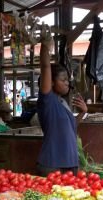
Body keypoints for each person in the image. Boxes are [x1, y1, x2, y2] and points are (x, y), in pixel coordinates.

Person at [37, 25, 88, 176]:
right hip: (52, 165)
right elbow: (45, 66)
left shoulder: (62, 103)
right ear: (51, 82)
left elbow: (71, 127)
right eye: (63, 79)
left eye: (67, 79)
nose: (67, 83)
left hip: (70, 164)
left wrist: (83, 113)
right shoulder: (48, 100)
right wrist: (46, 43)